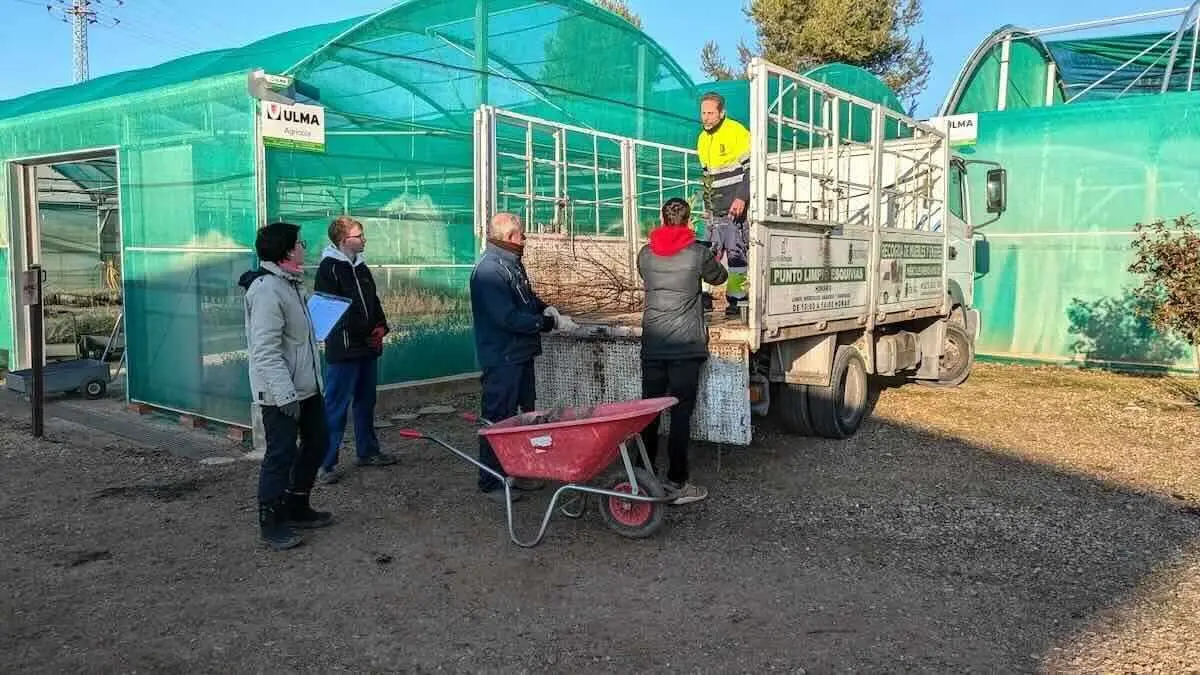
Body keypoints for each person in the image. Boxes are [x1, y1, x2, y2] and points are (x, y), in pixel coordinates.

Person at [468, 212, 578, 502]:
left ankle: (517, 471)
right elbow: (506, 317)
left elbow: (526, 299)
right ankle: (491, 480)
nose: (526, 238)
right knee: (498, 418)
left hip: (521, 353)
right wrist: (546, 324)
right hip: (502, 355)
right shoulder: (489, 271)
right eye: (522, 235)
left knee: (526, 415)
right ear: (509, 237)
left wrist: (547, 308)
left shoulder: (511, 264)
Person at [238, 221, 333, 551]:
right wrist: (284, 394)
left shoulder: (291, 284)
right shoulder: (267, 290)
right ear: (287, 250)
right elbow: (265, 350)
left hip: (306, 387)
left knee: (318, 442)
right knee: (281, 454)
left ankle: (297, 504)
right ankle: (271, 521)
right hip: (281, 392)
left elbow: (299, 339)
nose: (304, 247)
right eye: (300, 243)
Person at [637, 197, 728, 505]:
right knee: (680, 415)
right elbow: (720, 277)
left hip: (652, 346)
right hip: (685, 347)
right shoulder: (697, 254)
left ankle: (641, 476)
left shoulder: (645, 254)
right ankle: (677, 482)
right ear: (689, 222)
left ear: (661, 220)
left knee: (647, 413)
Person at [313, 215, 397, 484]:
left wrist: (381, 326)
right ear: (342, 239)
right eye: (358, 235)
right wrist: (365, 332)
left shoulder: (360, 266)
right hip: (345, 348)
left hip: (365, 347)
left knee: (365, 401)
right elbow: (332, 309)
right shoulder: (330, 269)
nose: (363, 240)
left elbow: (372, 300)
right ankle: (324, 463)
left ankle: (368, 451)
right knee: (335, 406)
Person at [697, 91, 751, 317]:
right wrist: (707, 206)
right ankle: (705, 299)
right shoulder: (702, 138)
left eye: (711, 113)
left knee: (737, 256)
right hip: (714, 209)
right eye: (703, 113)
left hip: (735, 207)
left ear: (722, 113)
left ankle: (737, 303)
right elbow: (707, 177)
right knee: (708, 254)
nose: (706, 117)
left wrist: (742, 197)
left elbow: (751, 169)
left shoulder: (737, 132)